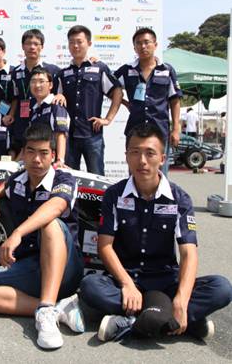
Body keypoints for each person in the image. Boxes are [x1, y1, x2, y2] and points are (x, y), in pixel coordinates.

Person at [79, 123, 232, 342]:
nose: (142, 161)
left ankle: (130, 322)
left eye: (150, 153)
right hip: (128, 281)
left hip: (167, 281)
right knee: (90, 287)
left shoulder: (179, 198)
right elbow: (105, 246)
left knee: (222, 288)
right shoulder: (114, 195)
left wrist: (181, 299)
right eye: (135, 152)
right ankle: (180, 321)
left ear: (162, 158)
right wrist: (126, 284)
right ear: (126, 156)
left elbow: (188, 253)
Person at [0, 123, 84, 350]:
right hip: (31, 265)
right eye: (31, 152)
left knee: (50, 224)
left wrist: (18, 233)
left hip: (66, 269)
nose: (37, 159)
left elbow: (55, 206)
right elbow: (5, 186)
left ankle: (47, 308)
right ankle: (54, 310)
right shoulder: (18, 180)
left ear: (53, 155)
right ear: (23, 153)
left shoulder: (64, 180)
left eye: (44, 153)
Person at [114, 27, 182, 175]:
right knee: (135, 173)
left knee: (160, 175)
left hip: (160, 130)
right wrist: (125, 103)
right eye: (138, 43)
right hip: (135, 129)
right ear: (134, 47)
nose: (143, 46)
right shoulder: (126, 70)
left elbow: (175, 100)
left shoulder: (167, 70)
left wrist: (176, 129)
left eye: (146, 42)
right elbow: (108, 86)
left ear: (155, 45)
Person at [57, 25, 123, 176]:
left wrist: (108, 119)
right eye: (71, 42)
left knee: (96, 177)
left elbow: (117, 92)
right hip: (69, 136)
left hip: (92, 135)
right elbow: (56, 99)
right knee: (67, 178)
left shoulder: (99, 68)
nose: (75, 46)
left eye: (79, 42)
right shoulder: (63, 74)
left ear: (89, 43)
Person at [11, 29, 61, 150]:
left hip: (43, 124)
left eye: (36, 44)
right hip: (21, 123)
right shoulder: (15, 72)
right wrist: (10, 114)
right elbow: (14, 97)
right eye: (28, 43)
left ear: (42, 47)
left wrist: (61, 95)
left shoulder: (53, 70)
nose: (32, 47)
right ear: (23, 46)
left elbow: (61, 93)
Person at [29, 66, 70, 168]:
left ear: (50, 85)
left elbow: (61, 134)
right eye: (33, 81)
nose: (37, 85)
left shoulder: (56, 105)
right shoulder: (34, 109)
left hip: (55, 165)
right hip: (40, 163)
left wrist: (60, 160)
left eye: (41, 81)